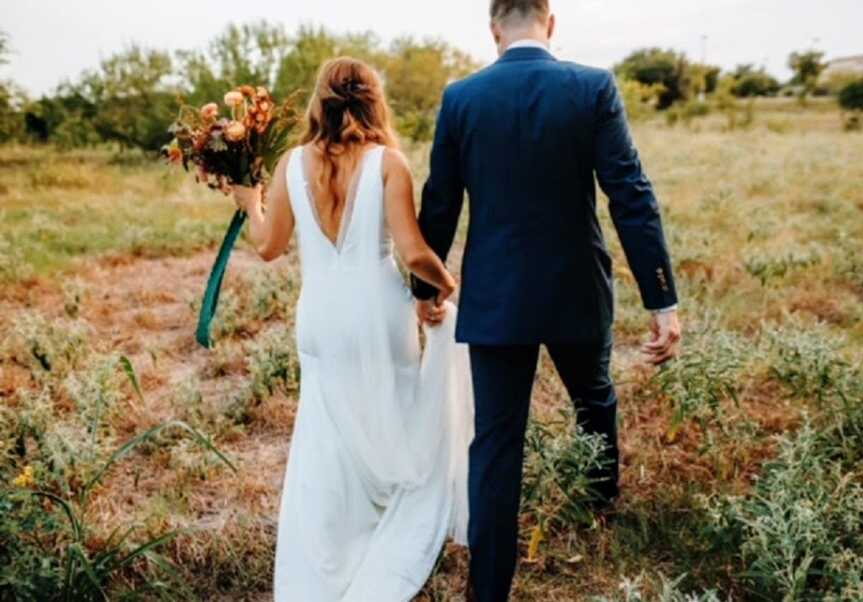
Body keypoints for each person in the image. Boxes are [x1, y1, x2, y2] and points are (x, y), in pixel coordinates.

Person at [410, 1, 683, 599]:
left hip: (496, 298)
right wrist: (661, 297)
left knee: (497, 442)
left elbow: (440, 203)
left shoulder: (462, 98)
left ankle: (488, 590)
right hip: (576, 289)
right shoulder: (591, 88)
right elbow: (630, 195)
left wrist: (425, 291)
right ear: (550, 24)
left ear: (493, 30)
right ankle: (598, 506)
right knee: (595, 400)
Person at [232, 57, 473, 601]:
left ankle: (332, 543)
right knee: (390, 407)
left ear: (320, 99)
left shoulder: (292, 164)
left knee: (325, 429)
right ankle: (384, 516)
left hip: (320, 313)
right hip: (378, 311)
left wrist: (251, 204)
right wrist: (447, 284)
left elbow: (268, 246)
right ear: (374, 100)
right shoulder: (389, 163)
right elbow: (413, 253)